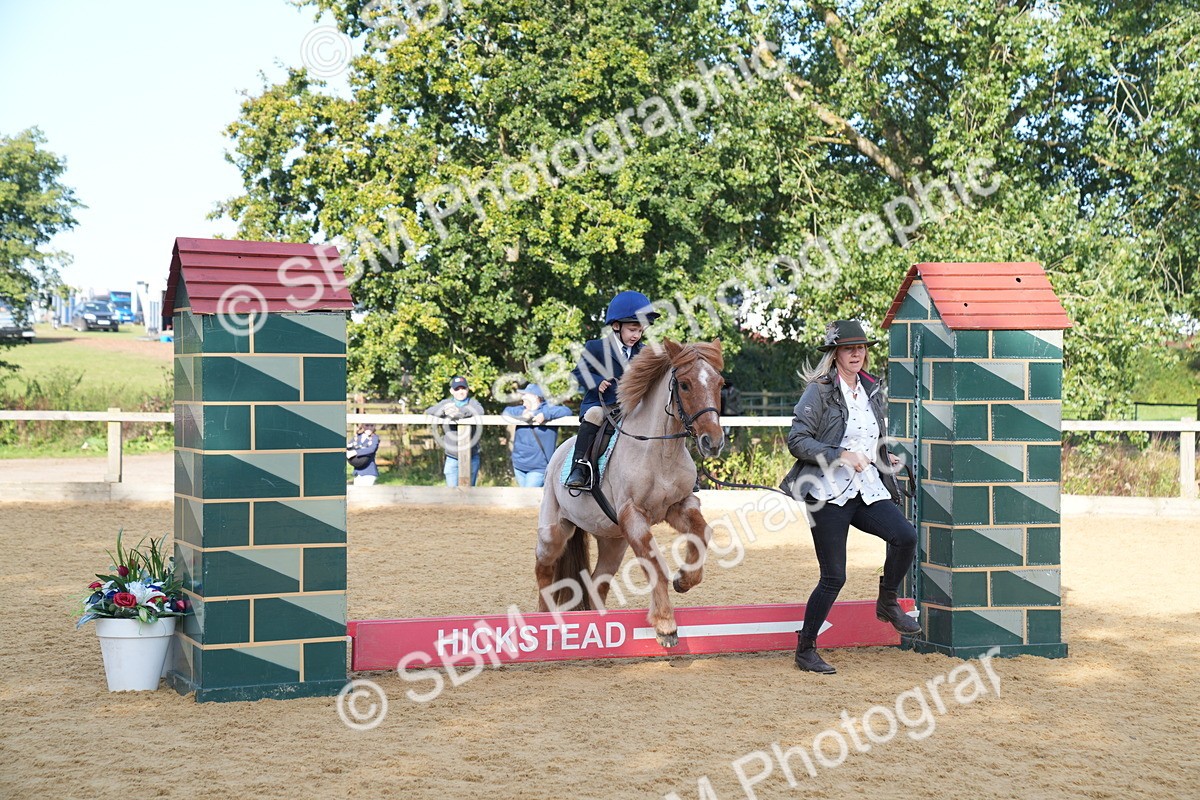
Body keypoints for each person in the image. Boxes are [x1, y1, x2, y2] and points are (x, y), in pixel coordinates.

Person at [780, 319, 920, 675]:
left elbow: (867, 437)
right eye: (848, 348)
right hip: (827, 493)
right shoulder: (819, 391)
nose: (856, 353)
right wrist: (841, 455)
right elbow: (797, 441)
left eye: (860, 348)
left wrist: (882, 456)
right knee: (834, 577)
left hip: (866, 488)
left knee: (905, 536)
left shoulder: (870, 389)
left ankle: (887, 601)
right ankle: (805, 649)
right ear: (835, 354)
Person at [564, 290, 659, 489]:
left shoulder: (644, 352)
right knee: (594, 414)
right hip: (603, 405)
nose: (637, 335)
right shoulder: (596, 347)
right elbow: (578, 373)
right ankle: (579, 468)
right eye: (632, 329)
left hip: (631, 407)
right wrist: (597, 381)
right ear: (616, 326)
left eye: (640, 330)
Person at [502, 384, 572, 487]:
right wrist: (523, 414)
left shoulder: (548, 410)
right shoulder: (522, 409)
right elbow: (506, 411)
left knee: (528, 495)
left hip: (539, 468)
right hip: (519, 465)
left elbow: (567, 411)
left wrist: (544, 415)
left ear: (535, 397)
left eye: (526, 395)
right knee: (525, 495)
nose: (523, 397)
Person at [425, 376, 485, 486]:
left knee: (469, 492)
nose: (460, 392)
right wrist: (444, 410)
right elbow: (429, 411)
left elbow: (480, 411)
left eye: (463, 388)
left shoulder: (473, 403)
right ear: (451, 391)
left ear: (467, 389)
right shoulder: (446, 403)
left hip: (471, 456)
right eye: (457, 389)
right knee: (451, 492)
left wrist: (459, 413)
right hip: (452, 457)